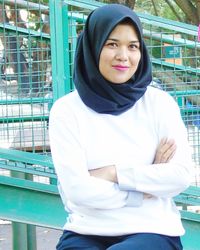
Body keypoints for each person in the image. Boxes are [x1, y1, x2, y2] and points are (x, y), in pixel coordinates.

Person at [49, 4, 193, 250]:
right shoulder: (67, 111)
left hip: (153, 230)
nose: (123, 56)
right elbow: (78, 191)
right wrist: (145, 186)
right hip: (85, 230)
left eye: (132, 46)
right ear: (93, 46)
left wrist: (113, 173)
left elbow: (179, 177)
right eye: (112, 44)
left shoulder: (159, 104)